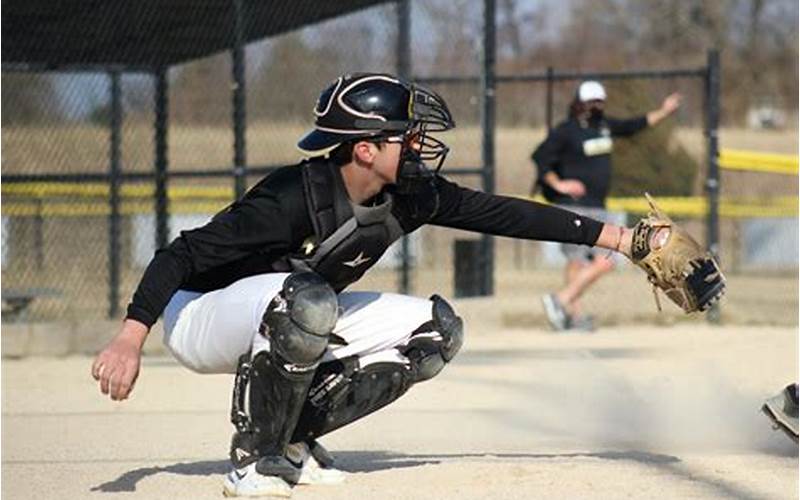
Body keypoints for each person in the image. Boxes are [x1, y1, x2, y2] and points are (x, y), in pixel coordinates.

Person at [91, 73, 642, 498]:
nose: (419, 145)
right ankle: (254, 460)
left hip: (290, 308)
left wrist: (619, 238)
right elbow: (180, 253)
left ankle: (292, 437)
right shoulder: (291, 197)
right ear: (365, 149)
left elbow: (502, 214)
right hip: (200, 315)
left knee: (433, 332)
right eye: (406, 136)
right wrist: (129, 337)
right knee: (306, 298)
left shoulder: (412, 194)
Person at [532, 80, 682, 332]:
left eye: (600, 102)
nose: (596, 107)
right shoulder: (566, 131)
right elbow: (541, 158)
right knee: (577, 261)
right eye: (592, 102)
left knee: (608, 259)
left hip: (598, 205)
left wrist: (664, 110)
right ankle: (572, 316)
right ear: (579, 103)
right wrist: (559, 185)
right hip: (573, 206)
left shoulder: (604, 127)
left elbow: (634, 125)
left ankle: (560, 301)